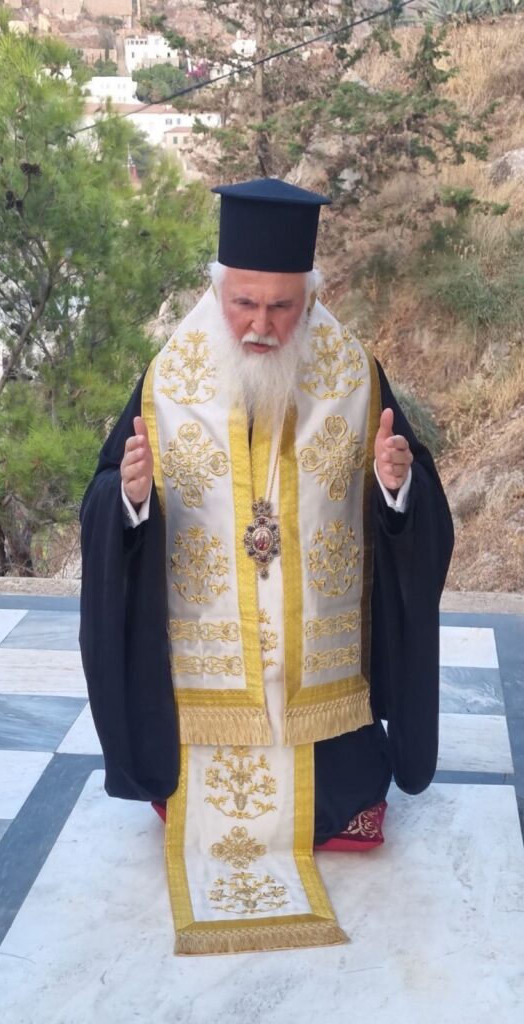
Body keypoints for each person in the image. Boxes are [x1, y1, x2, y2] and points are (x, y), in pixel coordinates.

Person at [79, 178, 453, 954]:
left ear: (310, 297)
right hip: (205, 696)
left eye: (281, 306)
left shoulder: (354, 376)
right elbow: (103, 500)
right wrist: (132, 500)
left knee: (349, 798)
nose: (260, 324)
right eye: (243, 303)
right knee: (183, 797)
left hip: (323, 691)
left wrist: (397, 489)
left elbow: (419, 508)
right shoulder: (168, 378)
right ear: (217, 288)